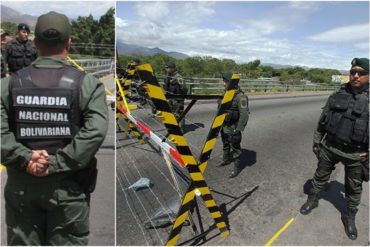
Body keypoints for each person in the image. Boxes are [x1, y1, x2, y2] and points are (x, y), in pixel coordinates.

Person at [1, 11, 108, 245]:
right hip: (68, 189)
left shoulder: (8, 85)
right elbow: (96, 131)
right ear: (69, 42)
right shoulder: (87, 84)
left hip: (22, 188)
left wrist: (26, 157)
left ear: (35, 42)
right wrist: (57, 163)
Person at [300, 58, 369, 240]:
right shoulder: (337, 94)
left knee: (354, 188)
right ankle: (312, 200)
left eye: (361, 73)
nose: (355, 75)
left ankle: (349, 216)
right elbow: (323, 119)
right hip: (329, 146)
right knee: (320, 176)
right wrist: (317, 141)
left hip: (355, 153)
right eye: (353, 71)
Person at [218, 72, 249, 178]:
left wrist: (238, 129)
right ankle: (225, 160)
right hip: (224, 125)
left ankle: (236, 168)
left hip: (233, 127)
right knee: (225, 144)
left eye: (225, 81)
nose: (223, 83)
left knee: (235, 148)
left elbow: (244, 114)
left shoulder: (241, 97)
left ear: (232, 83)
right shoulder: (226, 93)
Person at [163, 61, 187, 131]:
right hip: (170, 98)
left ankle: (181, 129)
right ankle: (173, 127)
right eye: (165, 68)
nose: (166, 69)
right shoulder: (169, 76)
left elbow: (184, 89)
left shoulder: (178, 77)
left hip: (178, 99)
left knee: (179, 113)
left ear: (172, 68)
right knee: (171, 114)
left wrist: (180, 99)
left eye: (167, 68)